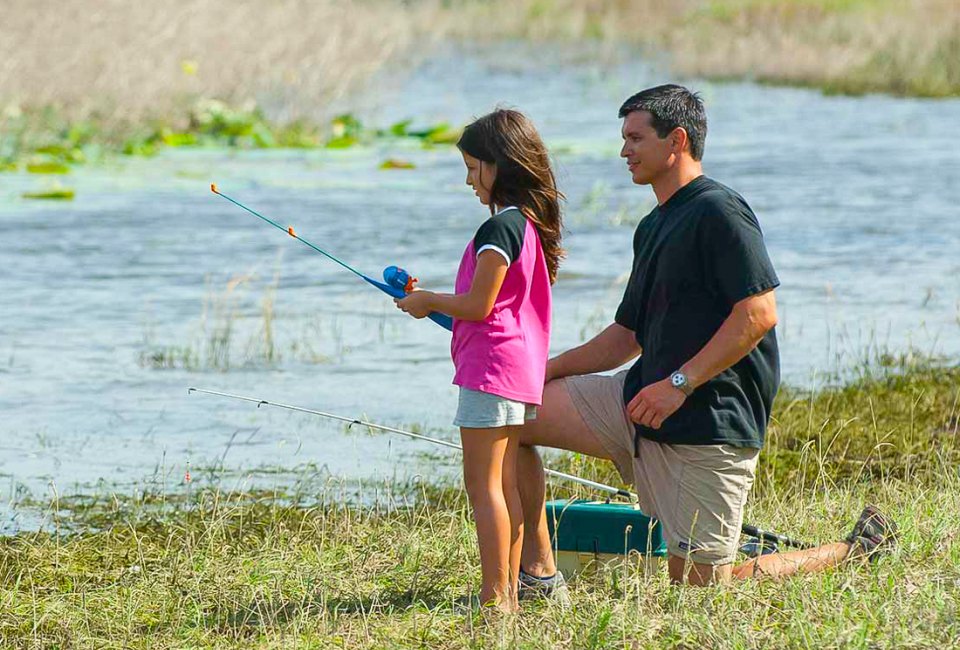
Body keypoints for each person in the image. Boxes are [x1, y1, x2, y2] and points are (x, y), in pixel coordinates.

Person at [513, 84, 898, 593]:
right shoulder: (652, 225)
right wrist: (539, 372)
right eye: (623, 138)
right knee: (510, 415)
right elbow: (625, 337)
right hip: (636, 407)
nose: (623, 151)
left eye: (635, 138)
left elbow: (758, 313)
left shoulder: (720, 211)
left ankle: (854, 550)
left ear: (675, 141)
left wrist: (678, 383)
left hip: (708, 424)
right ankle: (539, 576)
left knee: (699, 595)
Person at [395, 108, 564, 611]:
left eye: (473, 168)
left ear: (499, 165)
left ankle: (497, 600)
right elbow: (496, 311)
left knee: (484, 485)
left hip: (490, 373)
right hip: (517, 372)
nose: (469, 180)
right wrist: (435, 305)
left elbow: (478, 306)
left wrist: (429, 301)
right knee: (505, 483)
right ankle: (508, 591)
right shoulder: (527, 227)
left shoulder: (500, 229)